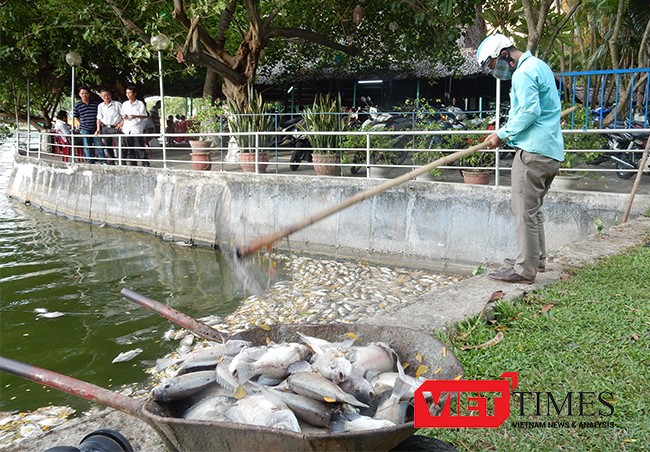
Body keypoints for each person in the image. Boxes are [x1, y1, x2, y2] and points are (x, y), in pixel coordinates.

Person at [477, 34, 564, 284]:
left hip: (533, 152)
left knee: (523, 210)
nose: (495, 71)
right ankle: (536, 258)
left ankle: (525, 269)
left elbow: (529, 111)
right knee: (533, 209)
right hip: (550, 152)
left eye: (492, 65)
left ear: (504, 54)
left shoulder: (523, 73)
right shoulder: (539, 65)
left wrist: (501, 134)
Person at [73, 86, 105, 163]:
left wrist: (98, 127)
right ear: (79, 94)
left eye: (86, 93)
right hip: (85, 128)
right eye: (82, 93)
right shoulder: (77, 105)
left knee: (99, 145)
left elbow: (99, 116)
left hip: (95, 128)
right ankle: (90, 161)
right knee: (87, 145)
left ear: (89, 94)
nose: (84, 95)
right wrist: (83, 123)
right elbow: (76, 117)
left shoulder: (96, 104)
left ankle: (103, 161)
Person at [121, 85, 149, 166]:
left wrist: (136, 116)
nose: (128, 95)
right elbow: (122, 115)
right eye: (127, 93)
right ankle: (133, 162)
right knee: (129, 147)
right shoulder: (125, 104)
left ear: (134, 94)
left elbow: (145, 115)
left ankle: (145, 162)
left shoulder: (140, 103)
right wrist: (124, 117)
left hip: (137, 127)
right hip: (127, 128)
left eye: (130, 93)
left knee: (140, 145)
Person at [95, 88, 123, 164]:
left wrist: (121, 124)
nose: (106, 97)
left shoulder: (117, 104)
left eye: (108, 95)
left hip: (115, 128)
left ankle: (121, 162)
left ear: (110, 95)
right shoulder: (100, 106)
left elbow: (124, 116)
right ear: (101, 97)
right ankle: (111, 162)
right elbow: (99, 118)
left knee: (119, 145)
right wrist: (98, 129)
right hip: (105, 128)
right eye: (104, 96)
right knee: (108, 146)